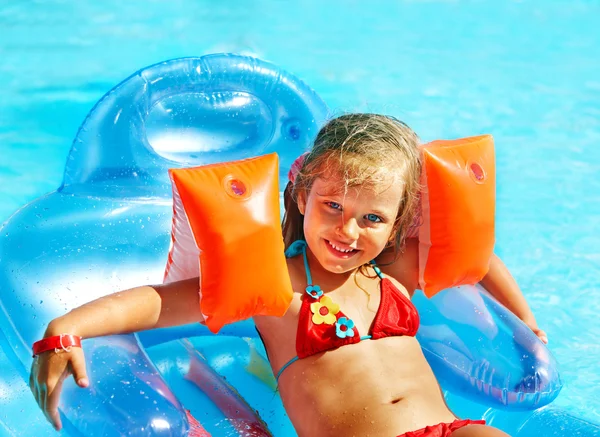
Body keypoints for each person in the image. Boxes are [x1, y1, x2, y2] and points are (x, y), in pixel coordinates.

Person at [30, 114, 547, 436]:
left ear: (397, 225)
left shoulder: (392, 273)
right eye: (333, 206)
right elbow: (157, 303)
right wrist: (64, 329)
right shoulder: (278, 284)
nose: (348, 230)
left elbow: (476, 263)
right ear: (303, 197)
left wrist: (525, 320)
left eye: (372, 219)